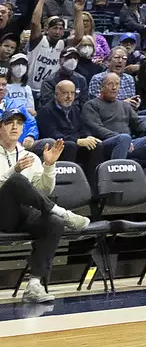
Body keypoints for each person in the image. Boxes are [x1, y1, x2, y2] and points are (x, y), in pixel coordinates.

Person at [0, 107, 90, 303]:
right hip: (1, 214)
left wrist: (49, 166)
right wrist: (12, 171)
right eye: (9, 123)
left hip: (23, 214)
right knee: (15, 181)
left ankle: (34, 285)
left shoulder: (29, 156)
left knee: (54, 223)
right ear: (0, 127)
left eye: (19, 123)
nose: (15, 127)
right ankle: (63, 212)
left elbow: (43, 191)